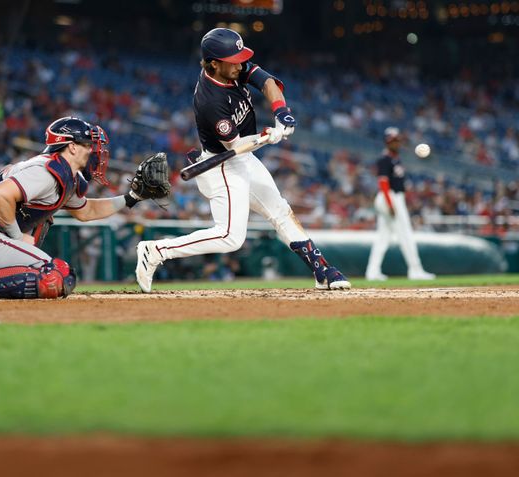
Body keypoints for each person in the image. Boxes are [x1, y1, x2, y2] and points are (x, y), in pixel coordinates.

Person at [135, 28, 350, 292]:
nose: (240, 64)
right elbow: (235, 145)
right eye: (233, 60)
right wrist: (266, 137)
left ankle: (322, 270)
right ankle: (155, 250)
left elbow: (268, 82)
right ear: (214, 63)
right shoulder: (209, 101)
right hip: (222, 165)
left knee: (280, 211)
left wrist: (281, 112)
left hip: (244, 158)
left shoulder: (232, 68)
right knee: (230, 238)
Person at [0, 116, 166, 300]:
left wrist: (132, 197)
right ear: (71, 147)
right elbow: (0, 195)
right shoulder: (46, 170)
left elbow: (86, 211)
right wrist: (17, 237)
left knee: (52, 263)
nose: (94, 151)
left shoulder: (65, 174)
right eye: (88, 145)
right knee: (56, 275)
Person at [365, 127, 435, 281]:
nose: (395, 143)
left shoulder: (396, 159)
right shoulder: (385, 159)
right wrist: (391, 204)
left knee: (383, 237)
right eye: (392, 140)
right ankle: (415, 270)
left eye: (397, 140)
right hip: (389, 197)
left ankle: (372, 272)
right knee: (406, 235)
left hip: (394, 197)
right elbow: (383, 182)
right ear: (387, 142)